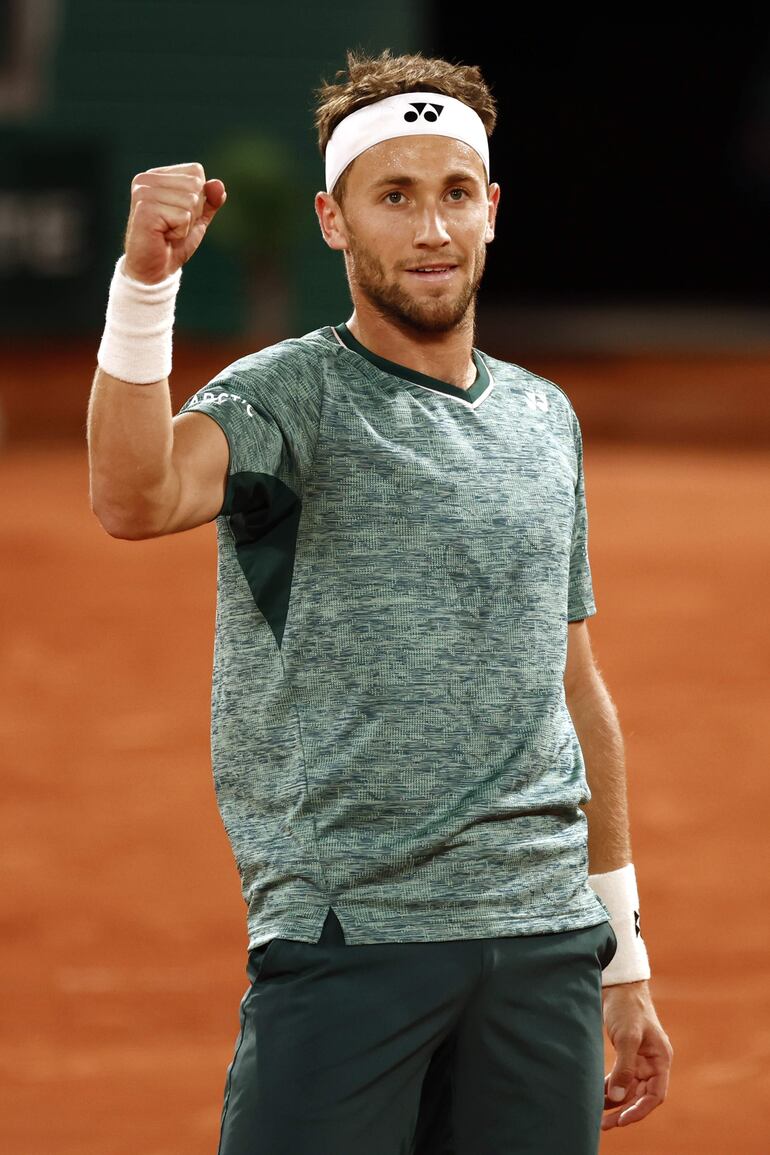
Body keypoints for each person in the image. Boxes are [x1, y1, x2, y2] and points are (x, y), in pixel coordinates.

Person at [87, 48, 673, 1155]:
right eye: (393, 197)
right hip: (349, 944)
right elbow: (134, 495)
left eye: (454, 194)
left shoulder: (544, 419)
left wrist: (621, 957)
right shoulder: (283, 399)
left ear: (491, 210)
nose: (431, 230)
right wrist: (145, 284)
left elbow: (574, 692)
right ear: (331, 219)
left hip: (545, 943)